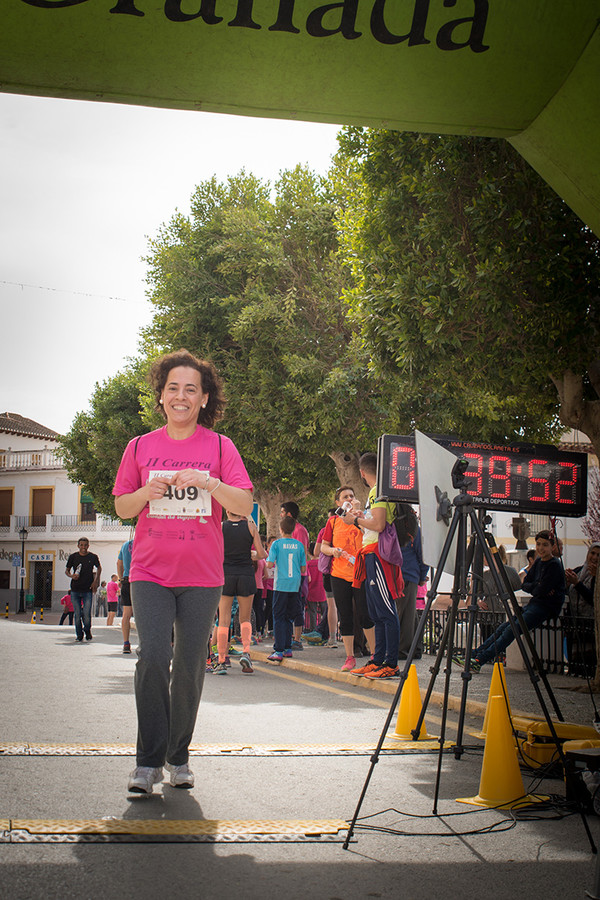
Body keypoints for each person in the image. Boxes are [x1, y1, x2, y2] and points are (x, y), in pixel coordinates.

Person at [113, 348, 253, 794]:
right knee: (153, 657)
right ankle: (147, 763)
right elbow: (122, 506)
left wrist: (211, 483)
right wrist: (146, 491)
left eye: (191, 389)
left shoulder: (219, 447)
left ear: (205, 398)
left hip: (202, 575)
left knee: (190, 665)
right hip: (150, 571)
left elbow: (244, 504)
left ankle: (179, 756)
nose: (181, 396)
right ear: (161, 396)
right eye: (173, 387)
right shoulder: (139, 447)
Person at [455, 530, 566, 671]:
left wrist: (537, 586)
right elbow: (525, 584)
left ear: (552, 547)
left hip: (545, 607)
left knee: (511, 631)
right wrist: (537, 586)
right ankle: (473, 655)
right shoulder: (539, 562)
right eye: (538, 544)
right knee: (503, 628)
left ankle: (479, 660)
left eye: (545, 545)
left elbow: (539, 589)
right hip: (535, 604)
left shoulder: (554, 565)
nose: (541, 548)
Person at [344, 453, 404, 679]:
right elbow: (376, 523)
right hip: (372, 553)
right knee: (377, 612)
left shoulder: (378, 491)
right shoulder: (379, 492)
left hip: (377, 555)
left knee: (385, 611)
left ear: (361, 472)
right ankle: (378, 660)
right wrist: (361, 518)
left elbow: (378, 524)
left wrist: (355, 520)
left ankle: (390, 663)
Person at [320, 486, 375, 670]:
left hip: (361, 574)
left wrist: (359, 516)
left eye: (352, 495)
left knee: (365, 614)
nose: (349, 499)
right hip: (339, 575)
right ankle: (349, 657)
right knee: (345, 616)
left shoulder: (362, 517)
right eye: (345, 497)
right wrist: (333, 551)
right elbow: (323, 547)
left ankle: (375, 656)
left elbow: (372, 536)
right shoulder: (333, 522)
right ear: (338, 502)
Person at [214, 510, 267, 675]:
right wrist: (251, 554)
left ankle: (221, 660)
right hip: (245, 574)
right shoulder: (251, 527)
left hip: (226, 574)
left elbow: (214, 552)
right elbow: (262, 554)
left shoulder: (221, 527)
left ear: (228, 511)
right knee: (245, 618)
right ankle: (246, 652)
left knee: (224, 619)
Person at [266, 517, 306, 663]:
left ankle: (278, 650)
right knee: (290, 616)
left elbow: (270, 565)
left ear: (281, 530)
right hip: (294, 585)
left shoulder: (276, 544)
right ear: (294, 529)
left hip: (280, 584)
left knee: (278, 616)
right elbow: (303, 568)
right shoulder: (299, 545)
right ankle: (288, 648)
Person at [394, 503, 429, 660]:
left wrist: (421, 576)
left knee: (405, 615)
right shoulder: (415, 531)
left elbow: (422, 556)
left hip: (403, 575)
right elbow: (423, 556)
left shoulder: (399, 529)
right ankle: (415, 648)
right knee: (410, 614)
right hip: (410, 574)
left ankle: (403, 650)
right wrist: (421, 576)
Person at [565, 542, 600, 676]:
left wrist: (578, 584)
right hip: (575, 623)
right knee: (575, 658)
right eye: (592, 553)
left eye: (598, 555)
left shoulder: (597, 576)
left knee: (588, 658)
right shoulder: (579, 570)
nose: (595, 557)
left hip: (590, 623)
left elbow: (594, 599)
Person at [477, 544, 522, 643]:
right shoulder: (485, 575)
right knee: (488, 641)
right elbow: (478, 593)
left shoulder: (510, 572)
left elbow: (518, 590)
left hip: (504, 615)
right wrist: (479, 601)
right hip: (488, 617)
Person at [280, 502, 309, 650]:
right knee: (285, 607)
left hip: (297, 575)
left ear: (289, 515)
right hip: (287, 575)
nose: (280, 515)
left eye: (282, 512)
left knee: (297, 606)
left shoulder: (300, 531)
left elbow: (301, 553)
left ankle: (297, 639)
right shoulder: (286, 533)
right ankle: (288, 637)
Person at [65, 537, 101, 643]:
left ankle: (87, 630)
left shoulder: (93, 557)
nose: (83, 547)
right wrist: (71, 576)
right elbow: (66, 570)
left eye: (85, 545)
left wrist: (95, 581)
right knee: (77, 614)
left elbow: (99, 568)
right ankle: (79, 635)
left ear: (88, 546)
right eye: (81, 545)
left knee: (86, 613)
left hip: (87, 590)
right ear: (78, 546)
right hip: (75, 589)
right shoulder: (73, 557)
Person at [117, 538, 134, 653]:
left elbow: (119, 563)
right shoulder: (145, 543)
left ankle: (126, 643)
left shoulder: (125, 545)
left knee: (126, 614)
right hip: (141, 581)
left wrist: (120, 578)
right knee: (143, 614)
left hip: (126, 581)